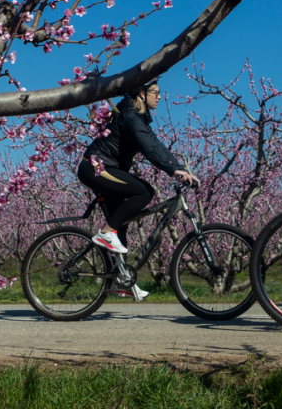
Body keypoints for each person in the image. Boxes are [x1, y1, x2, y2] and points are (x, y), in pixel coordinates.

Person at [78, 78, 200, 302]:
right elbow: (147, 145)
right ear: (141, 94)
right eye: (156, 92)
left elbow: (156, 145)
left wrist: (179, 168)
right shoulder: (129, 115)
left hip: (107, 167)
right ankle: (105, 232)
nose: (160, 96)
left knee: (120, 226)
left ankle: (121, 282)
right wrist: (174, 171)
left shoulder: (138, 118)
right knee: (144, 192)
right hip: (95, 166)